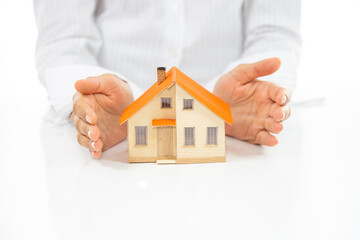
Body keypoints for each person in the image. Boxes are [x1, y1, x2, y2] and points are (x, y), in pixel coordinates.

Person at [34, 0, 300, 158]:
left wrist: (223, 102)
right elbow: (62, 42)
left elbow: (275, 32)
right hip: (109, 146)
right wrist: (97, 100)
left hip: (234, 136)